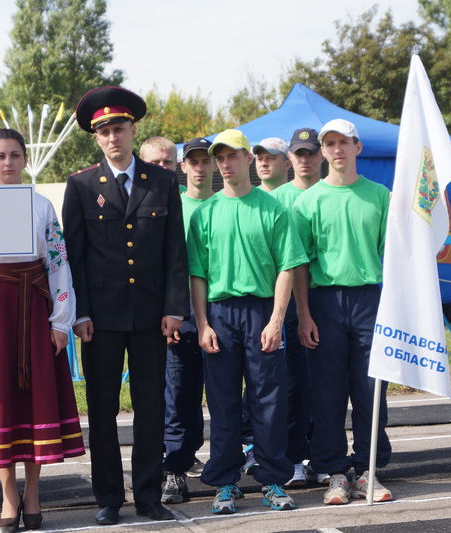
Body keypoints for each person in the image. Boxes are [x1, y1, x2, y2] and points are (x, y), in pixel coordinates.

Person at [0, 128, 85, 532]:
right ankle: (8, 493)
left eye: (15, 155)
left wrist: (60, 323)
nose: (8, 162)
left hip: (36, 309)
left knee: (36, 400)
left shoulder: (42, 207)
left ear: (25, 161)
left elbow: (58, 265)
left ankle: (34, 491)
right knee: (1, 402)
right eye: (1, 156)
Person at [62, 86, 189, 526]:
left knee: (151, 407)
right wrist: (79, 313)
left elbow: (176, 250)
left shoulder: (163, 181)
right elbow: (74, 257)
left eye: (119, 128)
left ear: (133, 130)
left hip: (152, 314)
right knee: (102, 409)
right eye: (104, 132)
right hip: (100, 318)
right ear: (95, 138)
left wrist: (176, 308)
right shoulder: (80, 185)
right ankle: (109, 496)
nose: (113, 137)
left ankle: (150, 495)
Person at [187, 129, 306, 515]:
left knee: (268, 400)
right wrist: (202, 323)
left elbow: (287, 266)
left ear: (248, 159)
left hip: (261, 312)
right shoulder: (205, 213)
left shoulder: (273, 209)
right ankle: (225, 482)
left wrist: (275, 321)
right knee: (222, 402)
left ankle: (272, 478)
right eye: (219, 157)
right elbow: (198, 275)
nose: (225, 163)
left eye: (232, 156)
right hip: (220, 314)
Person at [292, 118, 393, 506]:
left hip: (370, 300)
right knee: (328, 394)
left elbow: (396, 254)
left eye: (343, 142)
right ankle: (335, 472)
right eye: (329, 143)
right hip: (324, 303)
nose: (336, 149)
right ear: (323, 151)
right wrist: (303, 314)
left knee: (371, 392)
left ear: (357, 147)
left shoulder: (379, 196)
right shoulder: (308, 201)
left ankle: (369, 469)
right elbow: (298, 264)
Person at [270, 127, 327, 487]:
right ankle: (293, 456)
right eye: (299, 154)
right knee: (293, 384)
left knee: (327, 385)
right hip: (290, 305)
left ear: (320, 156)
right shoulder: (278, 200)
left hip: (329, 299)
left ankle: (323, 456)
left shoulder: (331, 192)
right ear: (289, 159)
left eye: (310, 153)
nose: (304, 160)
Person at [161, 137, 214, 505]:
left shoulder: (226, 203)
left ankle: (227, 466)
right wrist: (169, 313)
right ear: (184, 167)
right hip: (181, 317)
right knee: (179, 397)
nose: (198, 167)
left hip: (222, 313)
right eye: (192, 161)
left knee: (227, 397)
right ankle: (175, 470)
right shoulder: (171, 206)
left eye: (204, 160)